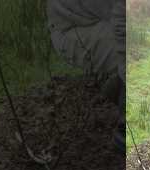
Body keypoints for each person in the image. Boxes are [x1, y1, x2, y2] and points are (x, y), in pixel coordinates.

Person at [46, 0, 126, 153]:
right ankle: (125, 130)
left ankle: (114, 88)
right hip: (74, 27)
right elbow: (123, 24)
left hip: (106, 16)